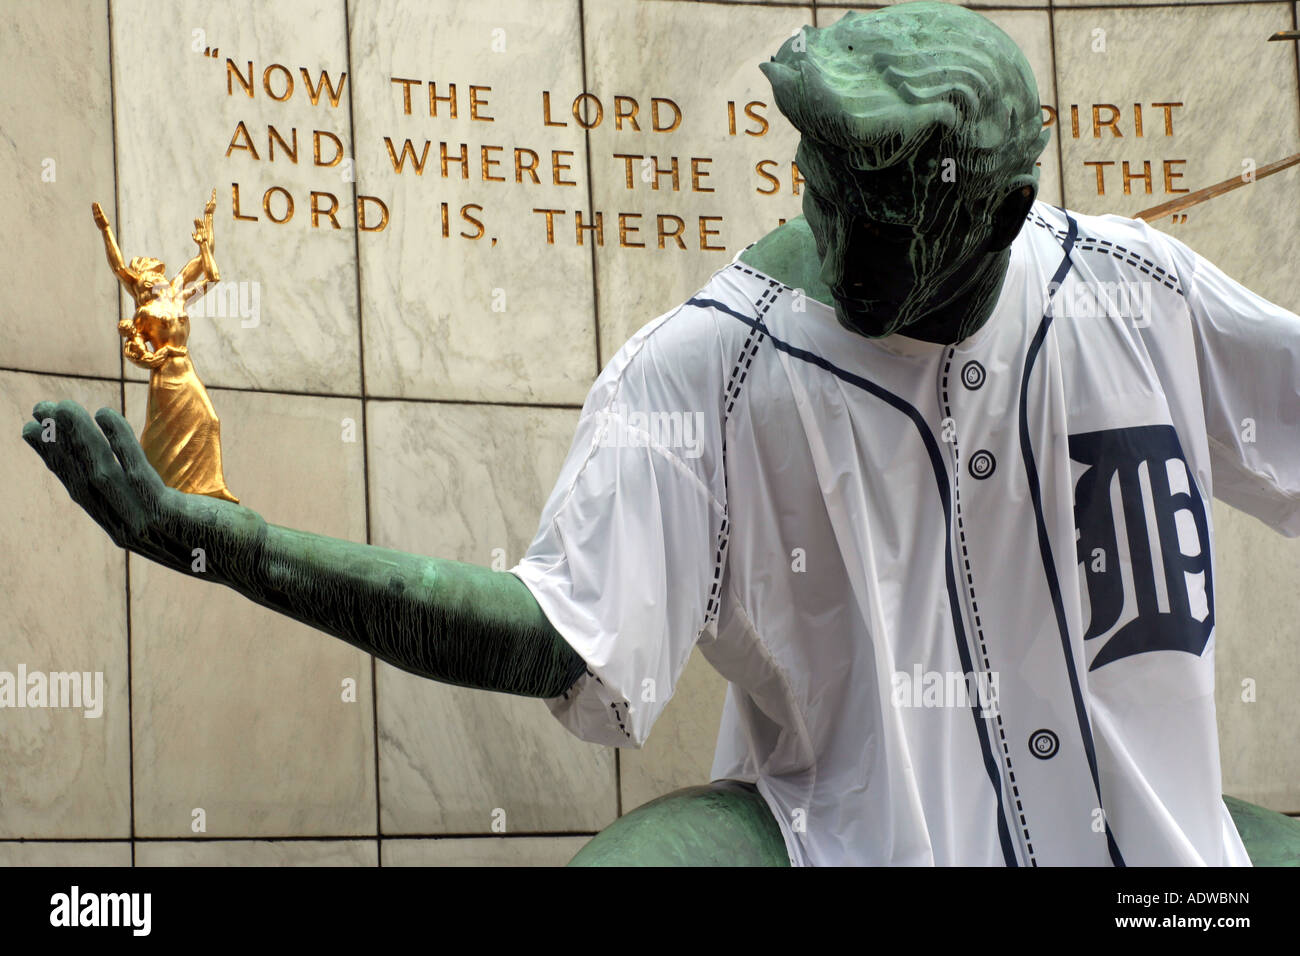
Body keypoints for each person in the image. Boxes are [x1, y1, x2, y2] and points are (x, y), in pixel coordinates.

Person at [22, 2, 1300, 865]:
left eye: (885, 212)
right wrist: (230, 544)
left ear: (1005, 209)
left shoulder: (1136, 287)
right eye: (824, 186)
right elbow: (558, 633)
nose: (838, 234)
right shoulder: (708, 363)